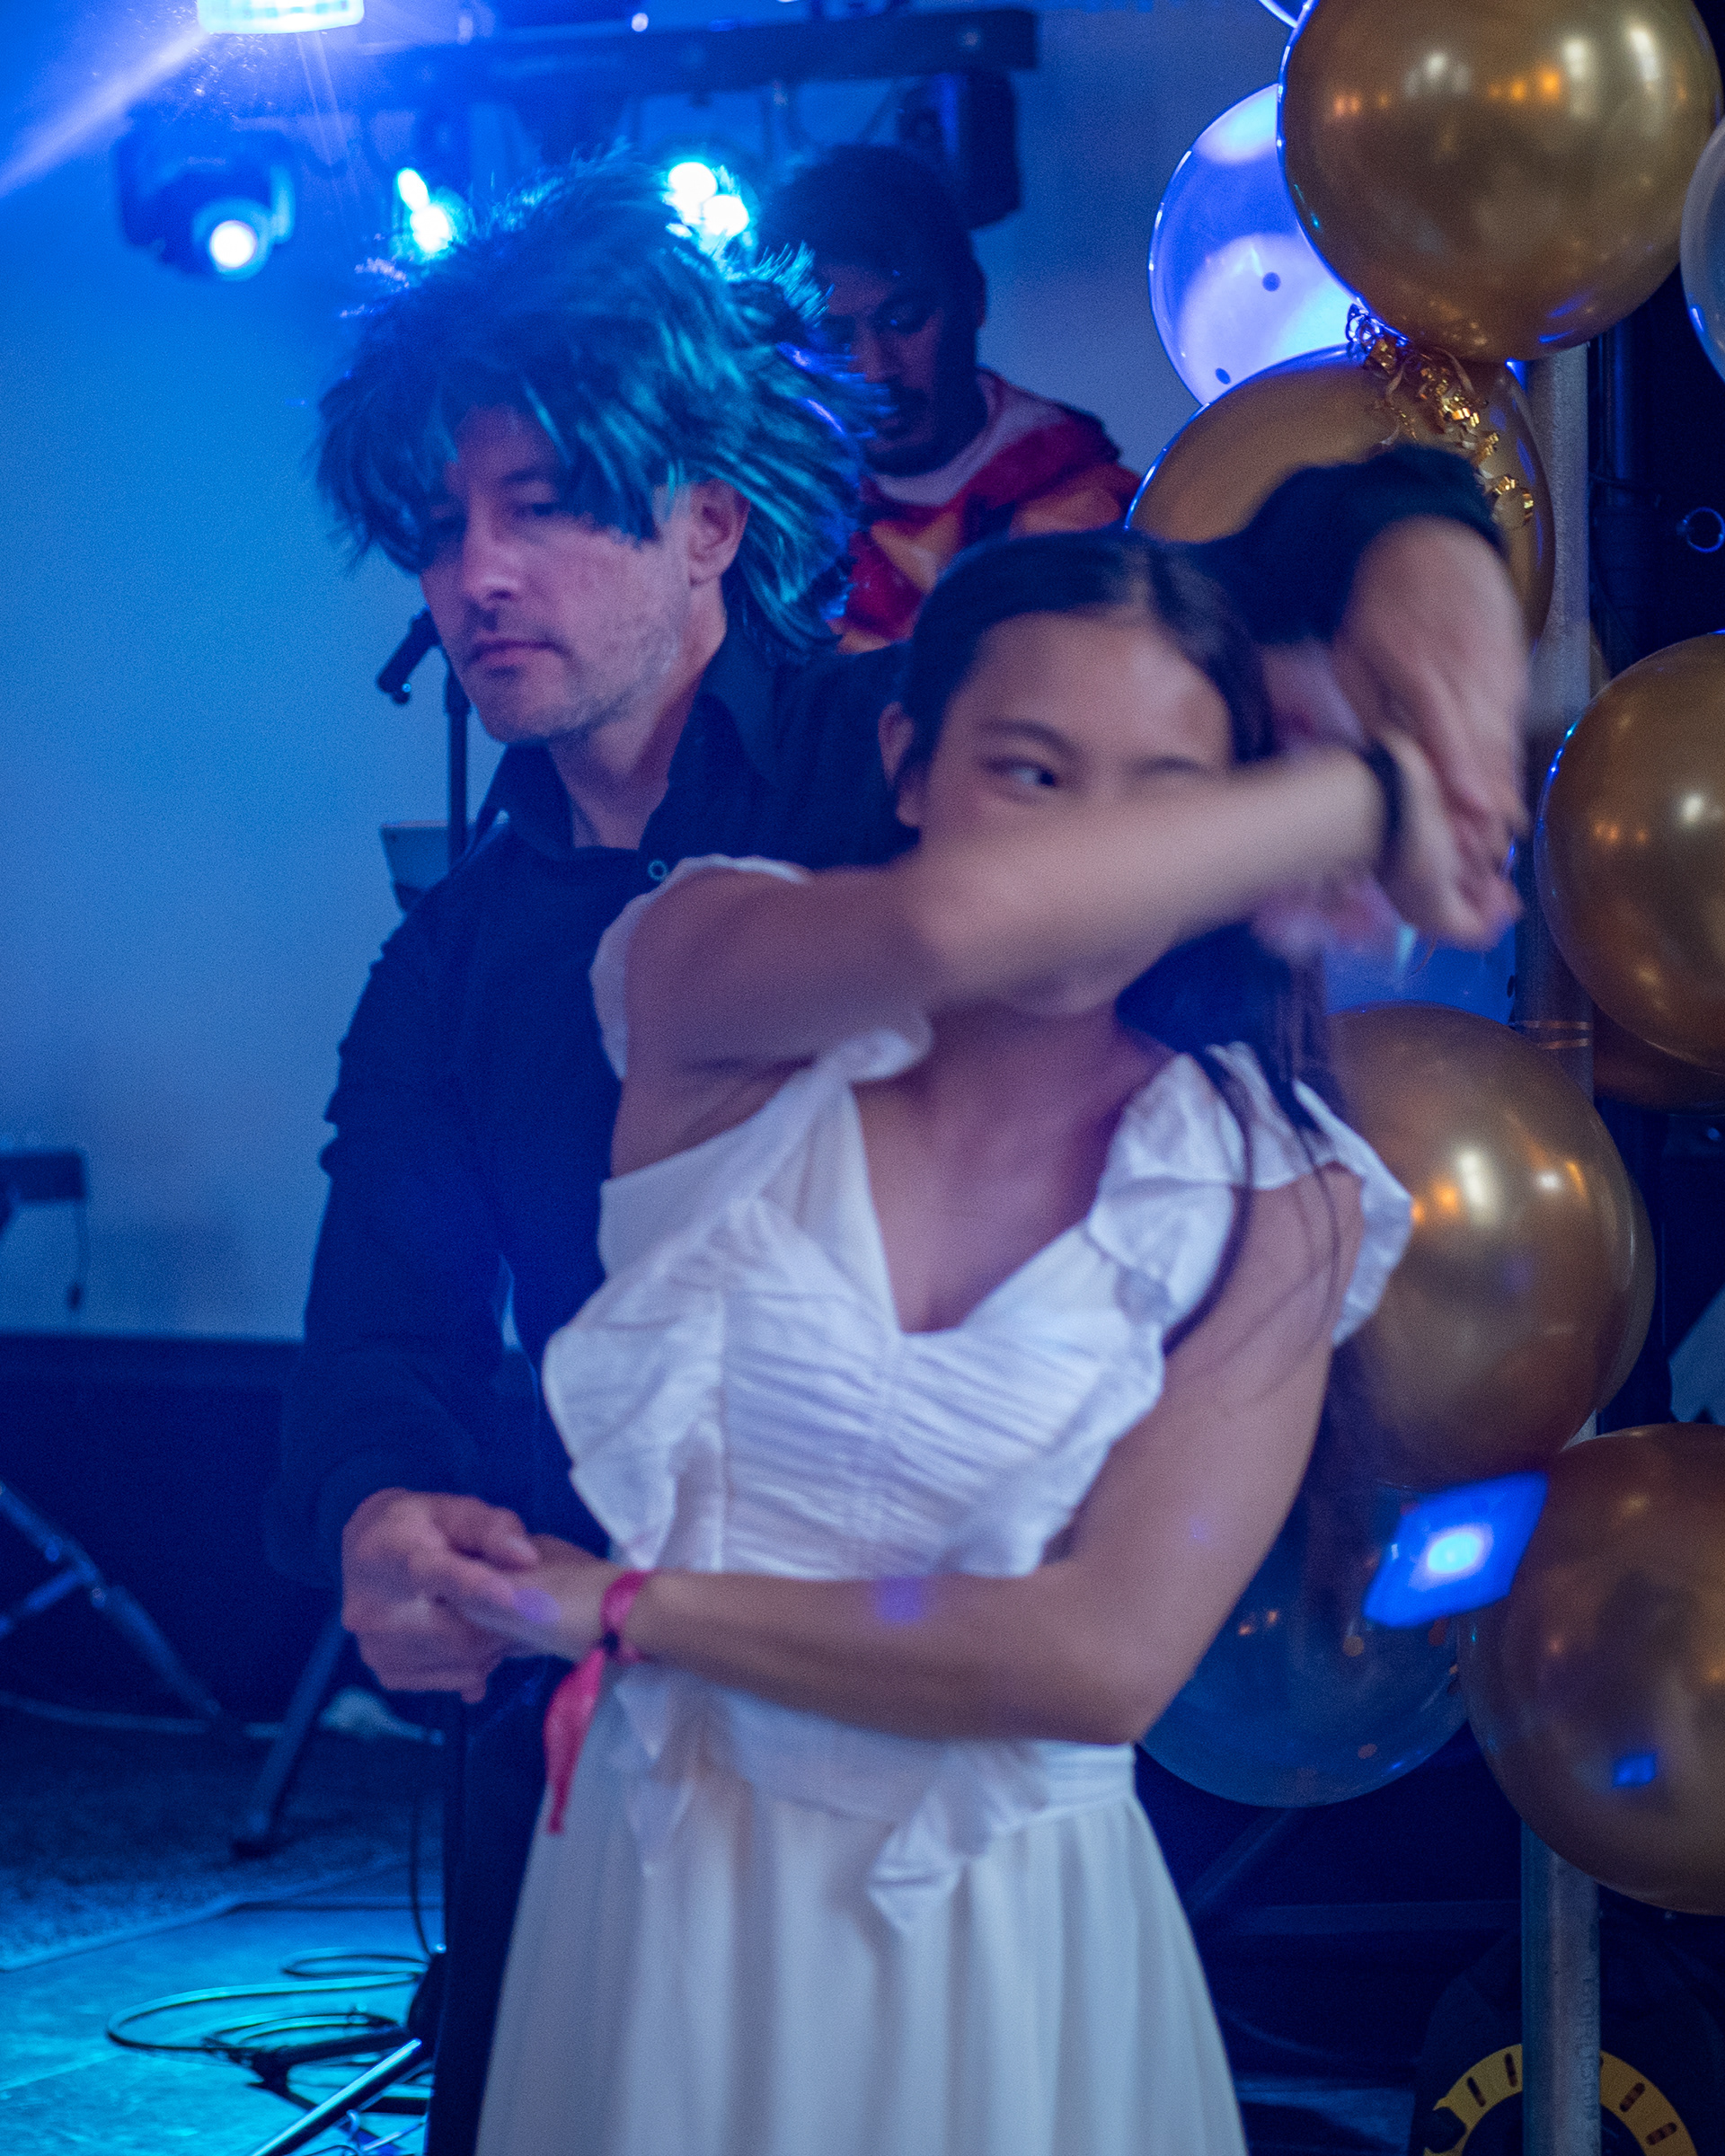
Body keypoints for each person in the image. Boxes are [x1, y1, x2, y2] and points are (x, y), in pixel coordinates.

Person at [263, 157, 1527, 2156]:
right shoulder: (448, 962)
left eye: (545, 506)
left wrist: (1424, 544)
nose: (477, 575)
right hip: (596, 1740)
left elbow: (1274, 565)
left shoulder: (945, 753)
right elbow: (383, 1330)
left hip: (965, 1753)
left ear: (706, 521)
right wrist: (381, 1515)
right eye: (439, 529)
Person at [448, 526, 1508, 2156]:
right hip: (672, 1886)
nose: (1097, 856)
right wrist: (1371, 793)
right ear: (907, 761)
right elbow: (958, 927)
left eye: (1168, 799)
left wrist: (635, 1606)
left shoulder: (1274, 1193)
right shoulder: (711, 971)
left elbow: (1100, 1662)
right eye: (1033, 773)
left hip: (1012, 1939)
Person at [756, 146, 1141, 649]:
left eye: (904, 319)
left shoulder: (1094, 507)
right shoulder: (773, 525)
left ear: (973, 297)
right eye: (833, 337)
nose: (874, 370)